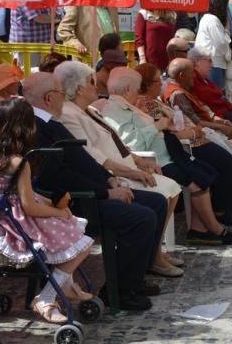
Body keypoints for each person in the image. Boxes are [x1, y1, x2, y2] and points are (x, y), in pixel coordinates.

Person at [23, 72, 167, 311]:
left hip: (92, 191)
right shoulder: (37, 127)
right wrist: (104, 192)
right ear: (49, 98)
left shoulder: (50, 120)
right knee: (142, 218)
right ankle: (119, 292)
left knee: (156, 203)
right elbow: (57, 176)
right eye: (61, 93)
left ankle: (133, 279)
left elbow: (84, 160)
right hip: (75, 203)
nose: (64, 98)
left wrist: (109, 180)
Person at [54, 61, 187, 274]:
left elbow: (115, 141)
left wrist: (138, 160)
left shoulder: (88, 110)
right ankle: (151, 257)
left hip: (122, 167)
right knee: (160, 195)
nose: (96, 86)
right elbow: (93, 156)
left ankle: (154, 253)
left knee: (171, 188)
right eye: (91, 82)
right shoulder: (69, 115)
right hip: (111, 175)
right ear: (78, 88)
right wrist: (133, 171)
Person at [0, 99, 94, 323]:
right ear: (27, 126)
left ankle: (66, 286)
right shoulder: (19, 162)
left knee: (71, 231)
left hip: (2, 218)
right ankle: (47, 296)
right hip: (20, 222)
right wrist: (58, 213)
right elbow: (28, 205)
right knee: (82, 242)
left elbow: (13, 195)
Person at [102, 65, 232, 246]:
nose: (138, 93)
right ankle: (212, 228)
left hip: (170, 153)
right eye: (136, 89)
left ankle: (200, 229)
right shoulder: (115, 110)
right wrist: (158, 126)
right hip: (157, 160)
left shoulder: (127, 105)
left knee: (204, 172)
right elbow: (133, 143)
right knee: (197, 179)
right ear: (128, 89)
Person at [164, 58, 232, 215]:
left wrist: (223, 122)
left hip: (208, 131)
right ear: (182, 75)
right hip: (198, 139)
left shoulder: (186, 90)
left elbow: (207, 111)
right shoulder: (177, 94)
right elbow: (195, 122)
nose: (193, 77)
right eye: (191, 74)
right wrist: (221, 126)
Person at [195, 0, 232, 88]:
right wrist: (227, 32)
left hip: (210, 63)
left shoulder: (206, 18)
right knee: (215, 93)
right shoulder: (212, 20)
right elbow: (221, 44)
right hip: (214, 64)